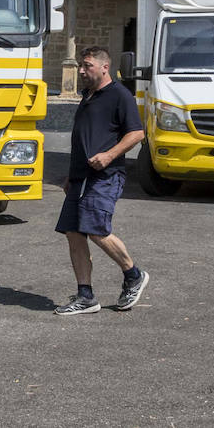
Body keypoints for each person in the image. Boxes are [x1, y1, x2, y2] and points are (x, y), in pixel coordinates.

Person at [54, 46, 149, 315]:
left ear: (104, 66)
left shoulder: (120, 95)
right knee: (73, 232)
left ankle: (134, 275)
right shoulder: (87, 95)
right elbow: (83, 138)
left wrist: (109, 156)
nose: (82, 71)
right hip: (80, 178)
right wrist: (71, 177)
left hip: (105, 176)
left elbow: (137, 134)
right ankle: (86, 296)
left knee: (95, 228)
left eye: (87, 65)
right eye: (81, 66)